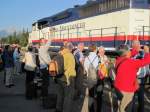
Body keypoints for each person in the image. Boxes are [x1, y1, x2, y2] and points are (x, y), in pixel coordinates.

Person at [114, 44, 150, 112]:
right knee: (126, 108)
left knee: (121, 105)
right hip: (127, 90)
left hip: (118, 88)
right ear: (127, 52)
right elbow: (147, 61)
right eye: (129, 50)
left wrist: (137, 49)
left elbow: (130, 53)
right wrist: (147, 52)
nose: (130, 51)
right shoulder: (131, 62)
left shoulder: (118, 60)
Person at [131, 40, 149, 112]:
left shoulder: (143, 53)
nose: (138, 46)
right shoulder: (132, 54)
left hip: (143, 79)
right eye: (136, 45)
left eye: (138, 44)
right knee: (133, 98)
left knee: (141, 98)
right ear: (133, 46)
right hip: (135, 79)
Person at [84, 44, 99, 112]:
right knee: (96, 94)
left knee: (90, 94)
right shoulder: (96, 57)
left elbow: (85, 67)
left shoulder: (87, 57)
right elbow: (98, 68)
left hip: (89, 77)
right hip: (95, 77)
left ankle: (90, 109)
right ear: (95, 49)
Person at [62, 42, 76, 112]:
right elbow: (69, 68)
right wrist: (68, 79)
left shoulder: (62, 53)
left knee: (64, 95)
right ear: (70, 49)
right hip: (69, 77)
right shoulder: (70, 55)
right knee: (69, 97)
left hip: (62, 77)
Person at [97, 46, 109, 112]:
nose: (104, 52)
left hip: (103, 76)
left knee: (101, 90)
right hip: (99, 77)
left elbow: (107, 65)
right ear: (99, 51)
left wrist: (106, 63)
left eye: (104, 51)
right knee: (99, 91)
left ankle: (99, 97)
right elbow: (98, 67)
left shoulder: (105, 57)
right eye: (102, 51)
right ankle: (98, 108)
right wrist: (104, 63)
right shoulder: (97, 57)